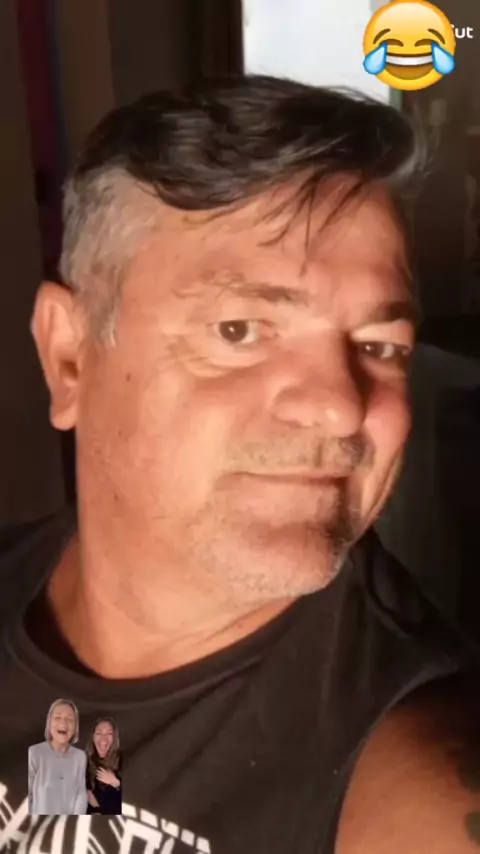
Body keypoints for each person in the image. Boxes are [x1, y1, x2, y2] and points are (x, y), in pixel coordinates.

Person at [0, 75, 473, 853]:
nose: (339, 408)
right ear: (69, 358)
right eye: (239, 330)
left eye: (379, 345)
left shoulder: (416, 765)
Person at [28, 699, 87, 815]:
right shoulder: (34, 752)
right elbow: (28, 796)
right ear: (49, 722)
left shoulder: (80, 757)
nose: (63, 723)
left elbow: (80, 793)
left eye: (70, 719)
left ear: (75, 727)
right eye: (57, 717)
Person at [86, 717, 122, 815]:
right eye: (98, 733)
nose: (103, 738)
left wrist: (116, 783)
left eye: (109, 733)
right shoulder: (84, 763)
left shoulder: (124, 761)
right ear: (93, 737)